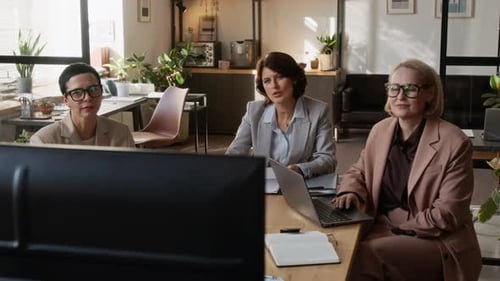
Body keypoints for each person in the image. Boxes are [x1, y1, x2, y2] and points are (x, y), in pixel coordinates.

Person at [333, 59, 481, 281]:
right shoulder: (380, 130)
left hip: (435, 238)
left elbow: (448, 214)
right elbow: (359, 171)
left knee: (363, 256)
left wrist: (397, 230)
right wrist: (350, 192)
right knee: (335, 245)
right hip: (384, 224)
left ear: (429, 94)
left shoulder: (454, 142)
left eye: (410, 89)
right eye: (394, 88)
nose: (400, 96)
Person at [225, 52, 336, 178]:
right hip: (264, 187)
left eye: (280, 77)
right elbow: (234, 154)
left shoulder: (318, 111)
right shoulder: (254, 112)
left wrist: (300, 169)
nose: (274, 86)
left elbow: (328, 159)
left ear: (294, 79)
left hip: (301, 185)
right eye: (267, 81)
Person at [30, 62, 135, 147]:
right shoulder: (44, 140)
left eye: (93, 89)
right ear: (66, 100)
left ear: (102, 93)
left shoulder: (121, 133)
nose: (87, 98)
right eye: (77, 93)